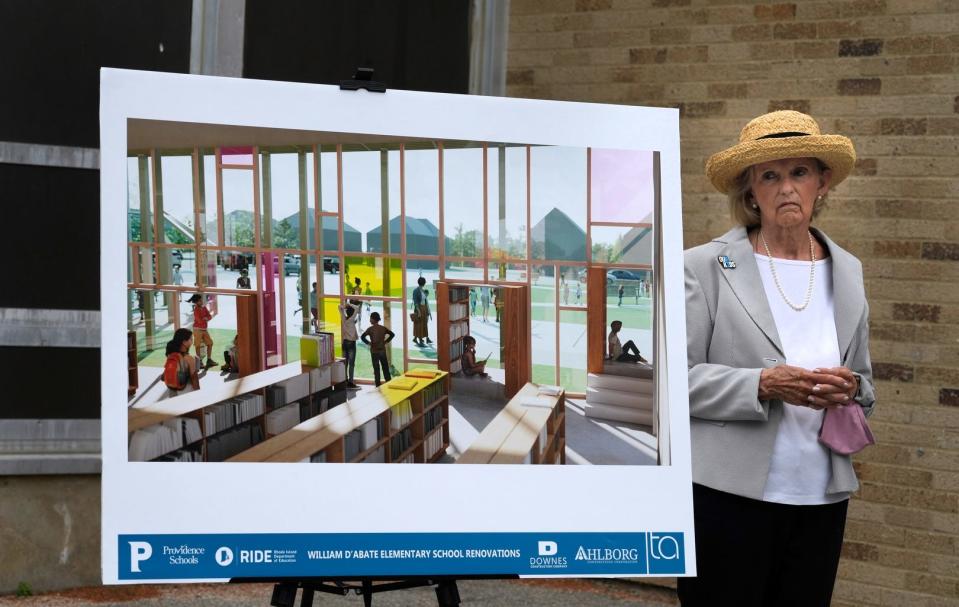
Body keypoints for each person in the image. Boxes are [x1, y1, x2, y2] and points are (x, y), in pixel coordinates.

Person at [679, 110, 875, 607]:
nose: (786, 187)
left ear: (822, 183)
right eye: (770, 175)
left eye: (799, 172)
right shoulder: (703, 266)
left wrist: (851, 390)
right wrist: (760, 384)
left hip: (820, 498)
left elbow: (866, 386)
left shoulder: (847, 270)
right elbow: (673, 382)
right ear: (750, 190)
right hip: (726, 498)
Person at [360, 312, 395, 386]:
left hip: (374, 351)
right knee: (385, 368)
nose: (370, 320)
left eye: (370, 318)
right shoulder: (383, 328)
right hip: (382, 351)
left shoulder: (370, 329)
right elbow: (392, 334)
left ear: (373, 319)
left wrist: (369, 343)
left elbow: (362, 337)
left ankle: (378, 386)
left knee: (376, 370)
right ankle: (388, 384)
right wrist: (385, 342)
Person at [163, 328, 200, 396]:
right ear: (184, 342)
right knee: (197, 360)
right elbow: (194, 380)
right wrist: (198, 396)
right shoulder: (189, 358)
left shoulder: (170, 353)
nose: (192, 341)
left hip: (172, 390)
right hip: (185, 392)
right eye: (191, 339)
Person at [186, 294, 216, 368]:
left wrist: (205, 318)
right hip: (197, 330)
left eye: (201, 300)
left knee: (210, 343)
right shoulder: (196, 310)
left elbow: (209, 316)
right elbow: (199, 321)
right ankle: (199, 362)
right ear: (196, 302)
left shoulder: (204, 307)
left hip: (204, 329)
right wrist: (206, 318)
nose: (201, 301)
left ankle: (209, 360)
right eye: (200, 300)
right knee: (197, 345)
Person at [338, 300, 360, 389]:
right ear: (352, 314)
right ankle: (351, 382)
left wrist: (345, 306)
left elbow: (339, 307)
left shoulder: (344, 319)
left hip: (344, 343)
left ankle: (345, 380)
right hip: (351, 344)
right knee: (351, 363)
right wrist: (349, 304)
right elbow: (357, 308)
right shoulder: (351, 320)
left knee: (345, 363)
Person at [411, 276, 432, 346]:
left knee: (423, 324)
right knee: (419, 324)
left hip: (424, 308)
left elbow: (425, 300)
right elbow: (416, 302)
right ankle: (420, 340)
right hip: (419, 309)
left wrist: (428, 311)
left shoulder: (423, 290)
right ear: (423, 283)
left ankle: (419, 338)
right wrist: (419, 311)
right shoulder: (416, 291)